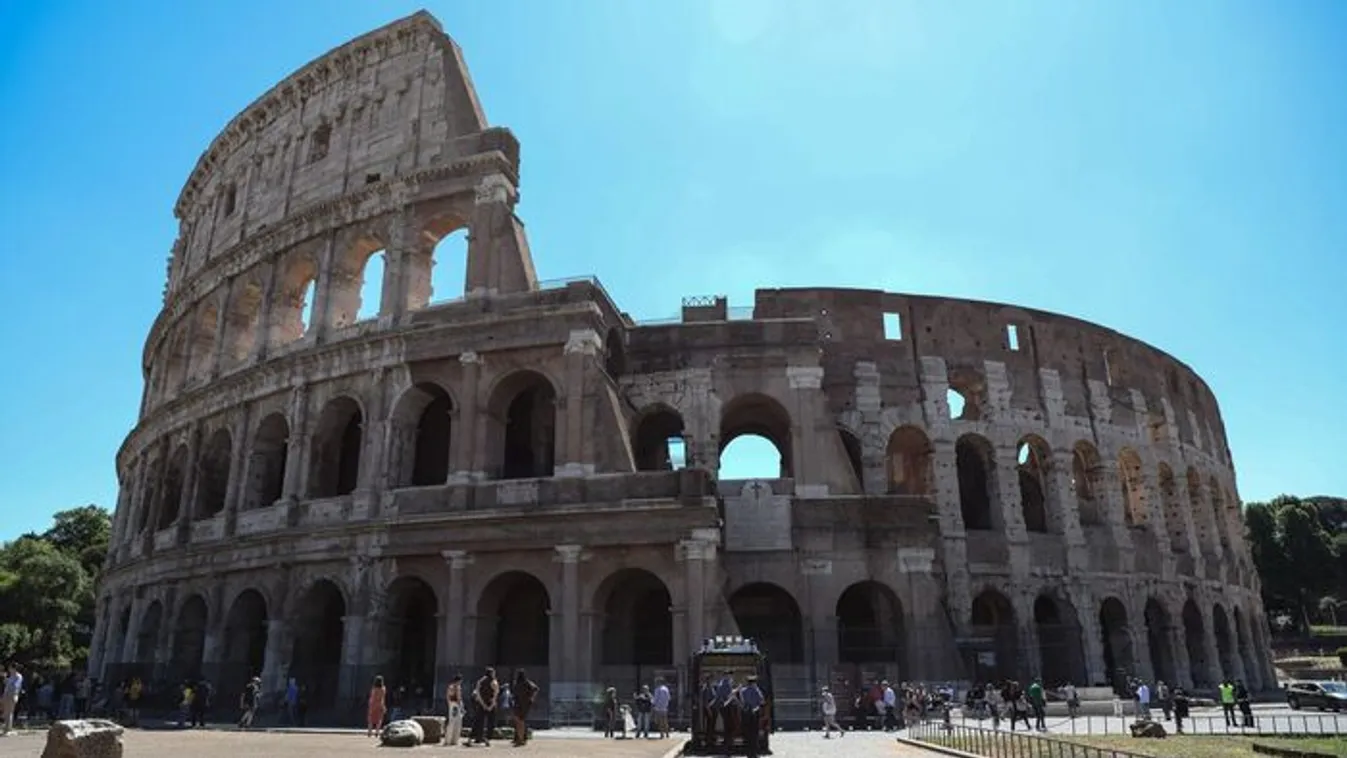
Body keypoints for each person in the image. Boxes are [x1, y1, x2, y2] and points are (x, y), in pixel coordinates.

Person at [738, 675, 765, 758]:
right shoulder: (756, 690)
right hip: (754, 714)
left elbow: (742, 703)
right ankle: (754, 752)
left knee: (747, 734)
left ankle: (747, 752)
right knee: (754, 734)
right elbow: (762, 701)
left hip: (745, 714)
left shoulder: (743, 691)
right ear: (754, 683)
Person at [510, 669, 539, 746]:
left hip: (520, 703)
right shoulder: (526, 682)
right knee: (521, 721)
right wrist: (531, 698)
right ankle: (521, 738)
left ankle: (520, 738)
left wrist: (531, 698)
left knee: (519, 721)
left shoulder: (521, 683)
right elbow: (535, 689)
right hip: (523, 704)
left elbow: (535, 689)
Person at [470, 668, 498, 746]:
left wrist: (483, 704)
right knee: (490, 722)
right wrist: (491, 706)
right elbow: (495, 695)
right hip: (490, 703)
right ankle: (487, 738)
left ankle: (478, 737)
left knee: (479, 721)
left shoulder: (480, 681)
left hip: (481, 703)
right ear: (492, 673)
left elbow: (478, 694)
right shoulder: (494, 682)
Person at [1, 663, 22, 736]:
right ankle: (6, 728)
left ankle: (8, 729)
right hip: (6, 695)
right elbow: (7, 685)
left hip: (12, 695)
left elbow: (16, 686)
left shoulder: (18, 676)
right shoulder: (11, 676)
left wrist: (9, 683)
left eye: (10, 668)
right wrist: (5, 679)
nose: (9, 670)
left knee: (9, 712)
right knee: (6, 712)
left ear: (14, 668)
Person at [444, 674, 464, 746]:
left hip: (451, 704)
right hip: (456, 704)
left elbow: (447, 696)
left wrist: (449, 703)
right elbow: (459, 697)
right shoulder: (457, 687)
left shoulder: (450, 686)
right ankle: (454, 740)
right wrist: (461, 707)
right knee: (457, 722)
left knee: (451, 721)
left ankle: (448, 740)